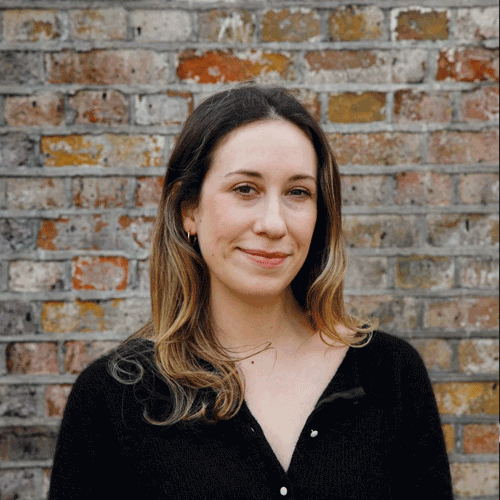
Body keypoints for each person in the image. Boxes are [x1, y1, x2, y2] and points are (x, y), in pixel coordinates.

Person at [48, 85, 454, 500]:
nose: (273, 223)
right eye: (245, 189)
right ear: (189, 209)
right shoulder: (113, 398)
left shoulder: (391, 375)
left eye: (298, 192)